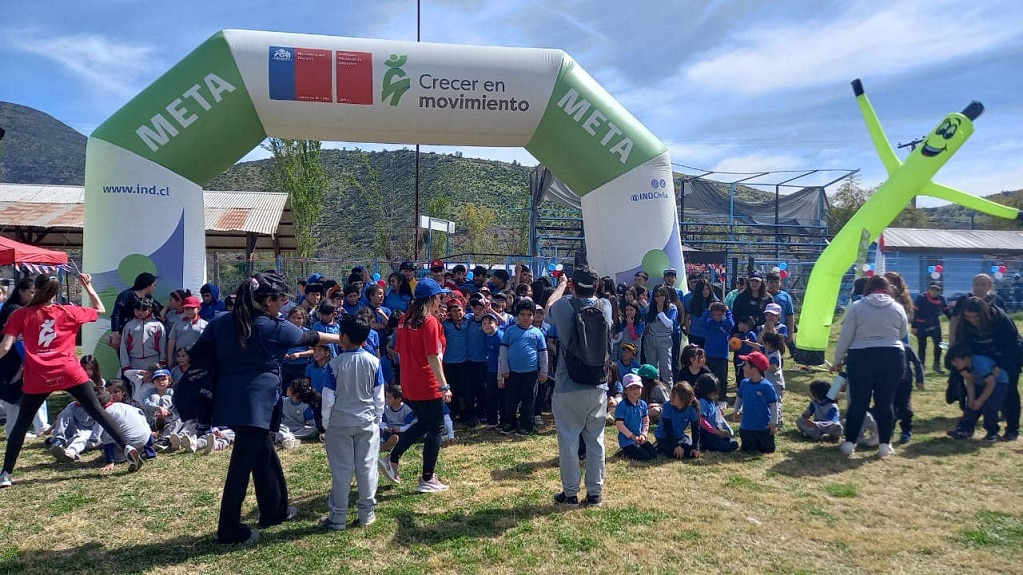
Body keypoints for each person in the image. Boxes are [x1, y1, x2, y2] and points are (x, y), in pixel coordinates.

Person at [188, 272, 340, 544]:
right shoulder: (270, 326)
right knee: (240, 467)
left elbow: (197, 353)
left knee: (264, 455)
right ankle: (229, 528)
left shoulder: (222, 322)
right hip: (257, 404)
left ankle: (275, 511)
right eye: (280, 298)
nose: (283, 303)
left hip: (230, 400)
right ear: (266, 300)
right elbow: (309, 336)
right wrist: (343, 338)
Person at [0, 274, 143, 488]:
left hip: (39, 375)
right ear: (55, 292)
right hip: (69, 371)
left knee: (22, 423)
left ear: (36, 289)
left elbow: (5, 347)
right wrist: (88, 286)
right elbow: (100, 309)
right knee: (98, 411)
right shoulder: (68, 311)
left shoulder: (20, 314)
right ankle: (127, 447)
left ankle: (6, 474)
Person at [378, 278, 453, 494]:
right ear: (431, 298)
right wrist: (443, 386)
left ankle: (392, 458)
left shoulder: (404, 320)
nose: (442, 300)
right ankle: (427, 478)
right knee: (437, 427)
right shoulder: (429, 322)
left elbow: (399, 350)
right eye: (440, 296)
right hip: (427, 381)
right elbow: (432, 356)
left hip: (409, 381)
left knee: (424, 424)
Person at [546, 267, 611, 507]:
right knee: (596, 441)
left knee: (569, 440)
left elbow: (549, 306)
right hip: (599, 383)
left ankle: (570, 493)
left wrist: (562, 285)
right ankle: (595, 493)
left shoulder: (564, 307)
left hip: (568, 383)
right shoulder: (606, 306)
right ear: (596, 286)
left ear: (574, 285)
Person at [831, 274, 908, 458]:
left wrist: (838, 359)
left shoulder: (858, 307)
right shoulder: (897, 307)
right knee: (885, 402)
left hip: (862, 355)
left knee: (858, 401)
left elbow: (846, 336)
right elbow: (903, 331)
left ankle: (850, 443)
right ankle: (885, 444)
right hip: (892, 355)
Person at [321, 314, 386, 530]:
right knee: (367, 467)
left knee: (341, 470)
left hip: (339, 422)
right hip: (366, 421)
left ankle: (338, 516)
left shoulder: (334, 364)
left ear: (345, 338)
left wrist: (326, 423)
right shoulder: (374, 362)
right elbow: (379, 397)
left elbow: (328, 398)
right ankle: (366, 514)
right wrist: (376, 420)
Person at [949, 297, 1020, 441]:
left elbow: (1014, 344)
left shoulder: (1000, 319)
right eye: (968, 317)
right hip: (982, 359)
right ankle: (966, 428)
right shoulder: (965, 324)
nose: (972, 321)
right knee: (976, 391)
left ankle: (1012, 429)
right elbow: (959, 348)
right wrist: (963, 371)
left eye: (976, 317)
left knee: (1009, 392)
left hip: (1008, 357)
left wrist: (1001, 366)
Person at [498, 298, 548, 436]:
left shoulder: (538, 333)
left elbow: (543, 353)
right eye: (522, 314)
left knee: (529, 400)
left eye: (529, 315)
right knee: (510, 400)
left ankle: (526, 424)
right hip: (512, 373)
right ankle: (510, 423)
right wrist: (504, 369)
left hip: (531, 373)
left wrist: (544, 371)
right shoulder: (510, 331)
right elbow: (503, 351)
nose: (525, 318)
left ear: (533, 316)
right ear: (517, 316)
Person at [946, 343, 1010, 441]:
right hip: (981, 383)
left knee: (990, 406)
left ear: (966, 358)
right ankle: (965, 429)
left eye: (956, 361)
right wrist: (971, 399)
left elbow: (991, 383)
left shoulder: (980, 364)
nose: (954, 364)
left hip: (998, 383)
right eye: (952, 362)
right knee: (971, 406)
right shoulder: (962, 367)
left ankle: (993, 432)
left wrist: (980, 400)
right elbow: (970, 382)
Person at [732, 351, 779, 454]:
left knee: (768, 450)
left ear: (754, 370)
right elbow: (739, 398)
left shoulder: (766, 386)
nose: (743, 367)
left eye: (746, 365)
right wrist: (736, 410)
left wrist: (773, 422)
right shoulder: (744, 384)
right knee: (748, 449)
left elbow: (773, 404)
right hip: (747, 428)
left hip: (763, 427)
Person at [108, 272, 160, 350]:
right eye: (154, 285)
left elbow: (159, 309)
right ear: (147, 285)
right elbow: (116, 314)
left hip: (142, 336)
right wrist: (115, 333)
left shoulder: (149, 298)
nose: (155, 288)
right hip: (126, 333)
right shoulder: (126, 295)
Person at [654, 382, 701, 460]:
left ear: (683, 400)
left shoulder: (691, 409)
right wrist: (676, 446)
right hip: (664, 436)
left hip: (679, 436)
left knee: (691, 454)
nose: (670, 397)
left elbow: (696, 429)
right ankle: (659, 446)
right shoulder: (667, 406)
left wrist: (695, 448)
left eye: (673, 396)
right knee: (674, 454)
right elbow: (667, 429)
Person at [614, 375, 657, 461]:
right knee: (644, 457)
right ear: (625, 390)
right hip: (627, 440)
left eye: (638, 387)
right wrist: (633, 437)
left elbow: (646, 421)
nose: (635, 391)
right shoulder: (622, 406)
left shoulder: (643, 404)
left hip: (640, 437)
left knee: (653, 454)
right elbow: (620, 425)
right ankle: (624, 451)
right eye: (631, 388)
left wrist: (643, 434)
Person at [693, 374, 738, 452]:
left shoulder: (710, 401)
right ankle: (704, 445)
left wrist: (719, 412)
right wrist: (715, 432)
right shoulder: (701, 402)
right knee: (726, 446)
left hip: (714, 431)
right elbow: (702, 421)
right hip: (706, 433)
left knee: (733, 442)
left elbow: (713, 414)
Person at [643, 285, 678, 384]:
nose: (659, 298)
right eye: (656, 296)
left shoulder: (672, 307)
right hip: (650, 339)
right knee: (652, 370)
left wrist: (660, 312)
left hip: (664, 339)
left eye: (662, 295)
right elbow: (646, 322)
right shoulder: (649, 307)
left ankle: (668, 394)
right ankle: (654, 393)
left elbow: (669, 324)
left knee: (666, 369)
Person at [913, 284, 951, 374]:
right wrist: (914, 326)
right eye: (933, 289)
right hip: (921, 325)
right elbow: (915, 312)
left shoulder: (941, 299)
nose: (934, 292)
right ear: (929, 290)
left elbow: (946, 311)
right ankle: (921, 366)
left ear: (940, 291)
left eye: (937, 290)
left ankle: (936, 365)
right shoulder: (921, 298)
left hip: (935, 325)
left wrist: (953, 321)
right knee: (922, 347)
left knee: (939, 345)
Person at [700, 302, 734, 400]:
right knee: (708, 375)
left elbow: (731, 324)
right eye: (714, 315)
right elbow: (702, 322)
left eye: (719, 315)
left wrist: (728, 311)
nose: (716, 317)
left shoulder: (726, 324)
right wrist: (708, 310)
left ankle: (722, 397)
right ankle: (708, 395)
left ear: (723, 314)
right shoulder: (710, 322)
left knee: (722, 378)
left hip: (722, 355)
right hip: (709, 354)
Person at [893, 346, 924, 444]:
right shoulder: (883, 347)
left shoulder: (905, 347)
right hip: (888, 382)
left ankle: (906, 430)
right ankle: (889, 429)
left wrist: (920, 380)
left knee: (904, 406)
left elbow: (917, 362)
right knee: (889, 406)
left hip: (904, 382)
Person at [277, 378, 319, 449]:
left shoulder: (305, 407)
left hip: (298, 429)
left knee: (313, 429)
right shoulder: (284, 402)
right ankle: (288, 438)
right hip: (286, 427)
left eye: (290, 388)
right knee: (279, 428)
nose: (288, 388)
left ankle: (289, 437)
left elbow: (312, 424)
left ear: (297, 393)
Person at [167, 295, 206, 367]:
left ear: (198, 309)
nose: (189, 311)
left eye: (192, 308)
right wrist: (170, 359)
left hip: (198, 360)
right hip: (180, 360)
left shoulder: (205, 324)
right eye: (186, 308)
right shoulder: (177, 323)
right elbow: (171, 341)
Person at [380, 384, 416, 452]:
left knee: (401, 436)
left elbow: (408, 425)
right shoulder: (386, 409)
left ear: (398, 399)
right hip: (388, 430)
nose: (386, 399)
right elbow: (383, 422)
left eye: (389, 397)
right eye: (386, 397)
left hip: (400, 431)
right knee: (380, 430)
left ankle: (389, 443)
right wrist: (385, 427)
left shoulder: (407, 411)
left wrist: (400, 429)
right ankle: (384, 443)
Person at [764, 272, 795, 347]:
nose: (774, 284)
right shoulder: (763, 296)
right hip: (765, 329)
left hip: (780, 329)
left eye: (776, 282)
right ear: (766, 283)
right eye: (771, 282)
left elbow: (790, 315)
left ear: (780, 283)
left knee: (779, 350)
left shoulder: (785, 296)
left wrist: (790, 333)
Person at [683, 278, 716, 349]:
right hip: (695, 334)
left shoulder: (714, 302)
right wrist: (688, 332)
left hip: (709, 335)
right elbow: (687, 318)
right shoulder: (691, 301)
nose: (705, 291)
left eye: (707, 289)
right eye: (703, 289)